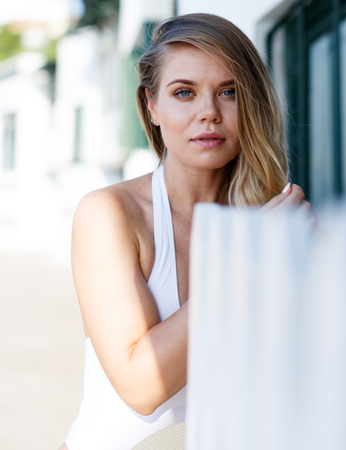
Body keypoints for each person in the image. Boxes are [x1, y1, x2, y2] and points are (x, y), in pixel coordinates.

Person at [59, 12, 315, 450]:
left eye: (229, 92)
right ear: (152, 106)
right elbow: (143, 388)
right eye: (184, 93)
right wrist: (253, 256)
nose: (210, 113)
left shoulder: (276, 219)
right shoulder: (111, 214)